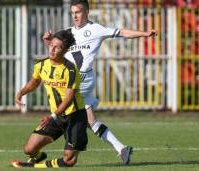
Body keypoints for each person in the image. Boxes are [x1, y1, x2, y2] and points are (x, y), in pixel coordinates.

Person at [43, 0, 157, 165]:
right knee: (90, 120)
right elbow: (56, 49)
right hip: (79, 80)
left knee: (68, 112)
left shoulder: (96, 29)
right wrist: (47, 40)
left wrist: (145, 34)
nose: (75, 15)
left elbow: (122, 32)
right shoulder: (67, 33)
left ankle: (70, 149)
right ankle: (121, 149)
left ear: (87, 12)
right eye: (73, 12)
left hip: (82, 80)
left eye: (78, 12)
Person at [11, 30, 88, 168]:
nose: (52, 49)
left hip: (75, 116)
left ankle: (33, 166)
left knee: (69, 160)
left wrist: (53, 116)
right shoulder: (41, 65)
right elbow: (35, 82)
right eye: (51, 44)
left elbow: (69, 98)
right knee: (29, 149)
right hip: (56, 117)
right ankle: (39, 157)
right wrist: (21, 93)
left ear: (64, 50)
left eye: (57, 47)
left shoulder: (71, 70)